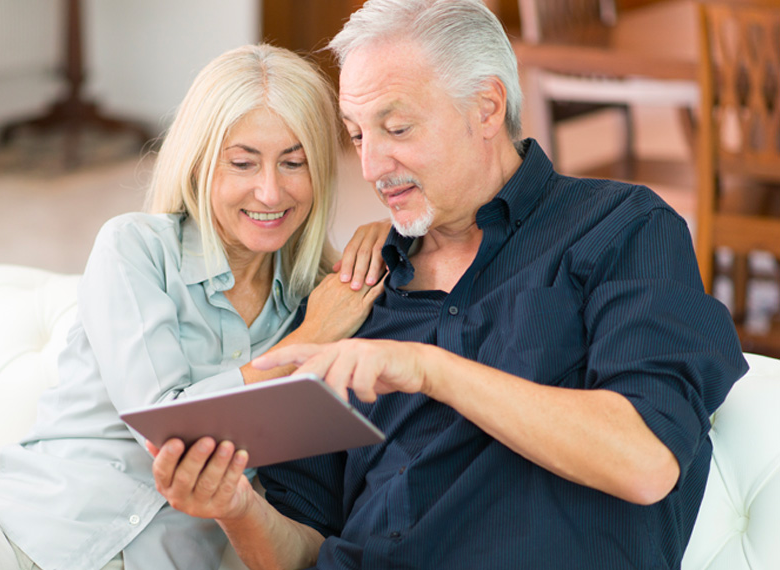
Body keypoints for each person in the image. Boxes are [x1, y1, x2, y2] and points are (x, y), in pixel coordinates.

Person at [149, 1, 748, 568]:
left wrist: (430, 369)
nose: (371, 167)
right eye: (357, 135)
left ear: (486, 108)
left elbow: (645, 462)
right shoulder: (353, 293)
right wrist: (236, 508)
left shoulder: (619, 229)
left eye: (398, 128)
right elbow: (299, 548)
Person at [0, 44, 388, 570]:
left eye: (294, 162)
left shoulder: (327, 298)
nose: (269, 190)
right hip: (16, 535)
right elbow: (167, 424)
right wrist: (305, 343)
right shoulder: (135, 248)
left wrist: (393, 233)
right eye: (242, 162)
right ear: (199, 161)